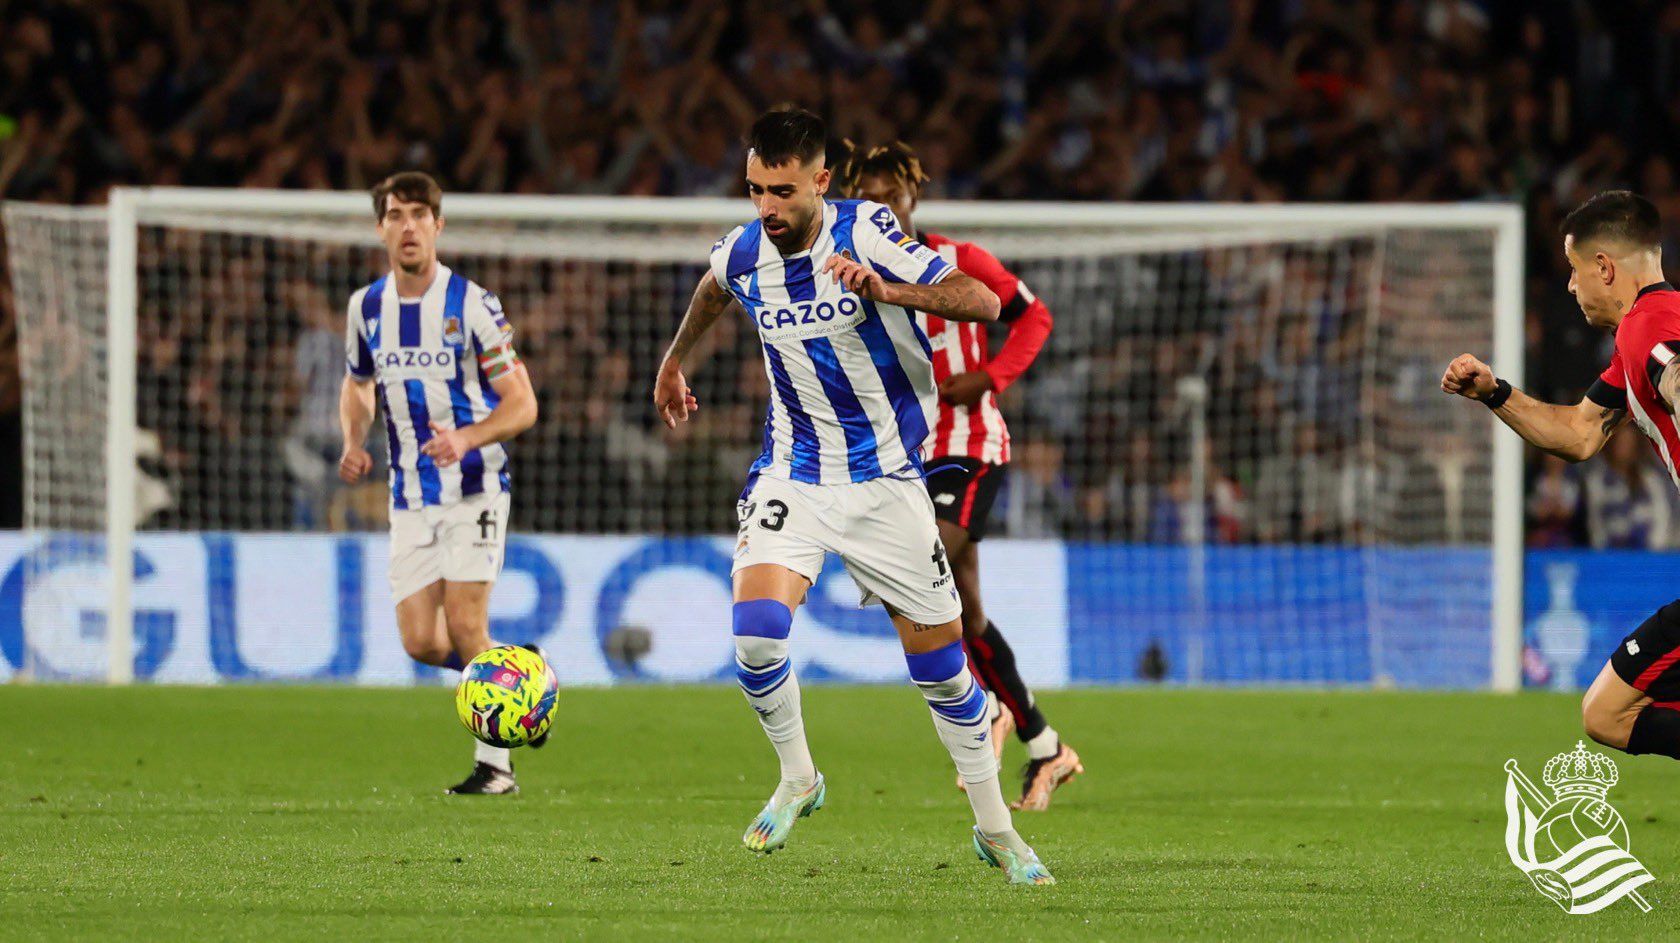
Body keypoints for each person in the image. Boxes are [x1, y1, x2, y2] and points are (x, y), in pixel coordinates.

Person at [652, 108, 1053, 884]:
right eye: (754, 189)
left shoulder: (866, 230)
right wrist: (674, 362)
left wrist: (887, 287)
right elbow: (712, 288)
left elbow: (983, 302)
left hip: (886, 484)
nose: (766, 208)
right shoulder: (746, 248)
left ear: (821, 181)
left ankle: (996, 829)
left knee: (943, 673)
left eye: (783, 191)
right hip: (792, 473)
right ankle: (801, 777)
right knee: (757, 638)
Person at [844, 141, 1082, 810]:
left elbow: (1034, 315)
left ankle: (982, 713)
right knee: (966, 612)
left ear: (914, 197)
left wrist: (993, 374)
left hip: (973, 443)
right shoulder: (860, 274)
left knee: (924, 564)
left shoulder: (962, 260)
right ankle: (1044, 743)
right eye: (871, 196)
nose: (883, 205)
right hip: (912, 453)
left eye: (893, 194)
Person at [1441, 189, 1680, 761]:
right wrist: (1494, 393)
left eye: (1574, 272)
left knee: (1610, 712)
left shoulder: (1648, 327)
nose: (1571, 287)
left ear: (1604, 268)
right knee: (1604, 712)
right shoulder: (1644, 331)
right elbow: (1578, 433)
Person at [338, 171, 542, 795]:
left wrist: (469, 437)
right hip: (409, 496)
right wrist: (352, 439)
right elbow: (357, 383)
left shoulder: (473, 305)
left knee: (464, 625)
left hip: (475, 489)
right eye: (396, 215)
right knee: (421, 642)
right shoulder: (366, 307)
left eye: (420, 214)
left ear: (438, 225)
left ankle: (496, 768)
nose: (408, 226)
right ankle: (524, 683)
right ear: (380, 228)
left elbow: (523, 404)